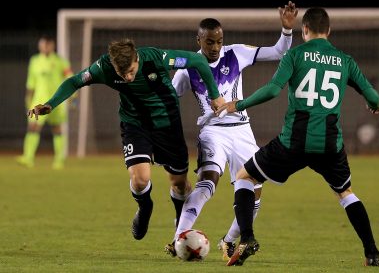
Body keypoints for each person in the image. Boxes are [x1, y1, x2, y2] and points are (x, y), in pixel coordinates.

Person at [217, 7, 379, 267]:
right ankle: (372, 253)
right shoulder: (344, 60)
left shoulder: (295, 55)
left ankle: (247, 238)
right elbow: (372, 96)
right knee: (346, 193)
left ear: (304, 29)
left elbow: (273, 90)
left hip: (293, 143)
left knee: (245, 177)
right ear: (328, 31)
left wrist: (237, 105)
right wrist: (375, 104)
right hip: (330, 145)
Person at [28, 38, 225, 241]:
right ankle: (145, 206)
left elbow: (198, 61)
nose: (128, 77)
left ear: (136, 59)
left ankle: (179, 225)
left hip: (167, 123)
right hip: (135, 124)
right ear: (114, 66)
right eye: (123, 74)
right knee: (140, 180)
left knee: (179, 184)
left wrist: (214, 94)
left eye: (131, 71)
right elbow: (75, 81)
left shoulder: (156, 58)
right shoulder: (103, 67)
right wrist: (51, 104)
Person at [165, 2, 298, 260]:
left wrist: (286, 29)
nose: (215, 47)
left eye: (219, 41)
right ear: (199, 40)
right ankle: (178, 238)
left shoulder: (236, 53)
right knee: (208, 180)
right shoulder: (187, 68)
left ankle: (228, 241)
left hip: (242, 131)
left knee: (254, 188)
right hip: (212, 132)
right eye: (209, 42)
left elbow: (279, 52)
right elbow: (170, 99)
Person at [16, 35, 73, 170]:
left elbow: (70, 79)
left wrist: (72, 98)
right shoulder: (35, 61)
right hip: (38, 101)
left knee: (57, 129)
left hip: (55, 102)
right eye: (43, 44)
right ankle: (28, 158)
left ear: (53, 46)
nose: (45, 47)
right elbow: (31, 82)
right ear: (39, 46)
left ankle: (59, 160)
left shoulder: (61, 61)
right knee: (33, 127)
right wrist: (28, 99)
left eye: (48, 44)